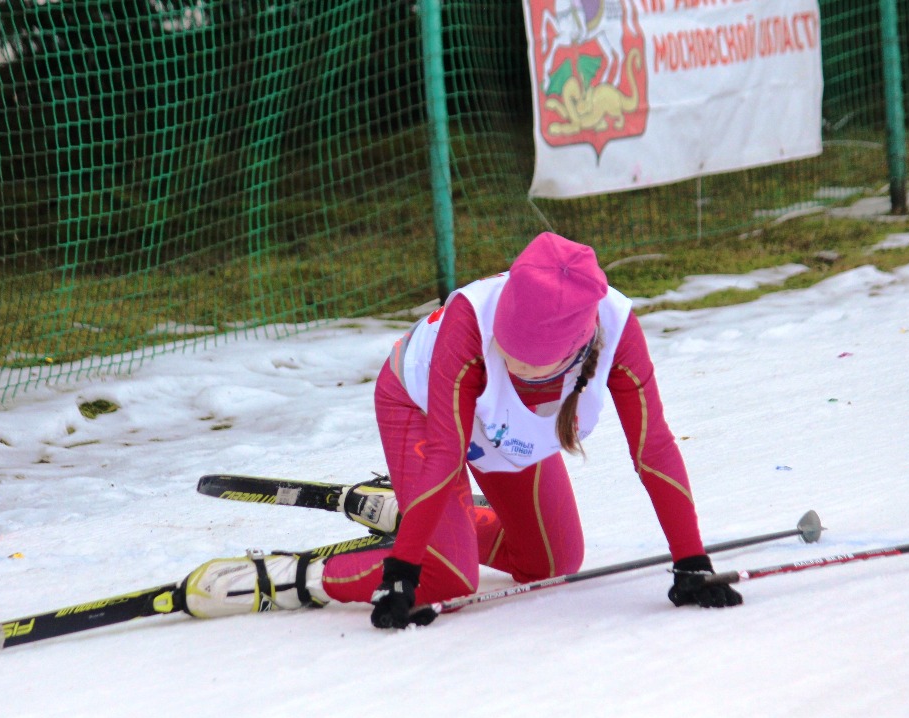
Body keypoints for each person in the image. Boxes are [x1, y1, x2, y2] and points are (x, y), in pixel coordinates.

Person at [178, 232, 742, 627]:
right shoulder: (472, 326)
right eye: (505, 349)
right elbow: (445, 449)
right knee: (448, 576)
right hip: (419, 409)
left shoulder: (616, 331)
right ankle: (295, 577)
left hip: (497, 434)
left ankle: (417, 511)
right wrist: (402, 569)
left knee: (552, 562)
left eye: (524, 364)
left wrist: (691, 560)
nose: (507, 362)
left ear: (573, 354)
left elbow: (654, 447)